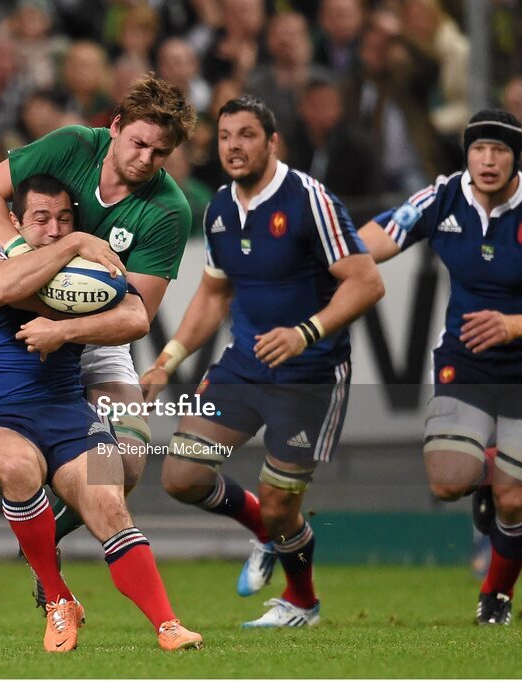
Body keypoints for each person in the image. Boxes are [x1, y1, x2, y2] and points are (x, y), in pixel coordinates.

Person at [0, 174, 203, 653]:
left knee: (112, 493)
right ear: (14, 220)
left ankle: (168, 624)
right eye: (41, 218)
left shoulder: (91, 265)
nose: (54, 229)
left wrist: (64, 330)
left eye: (64, 220)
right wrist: (77, 243)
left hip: (66, 411)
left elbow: (136, 318)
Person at [142, 95, 384, 628]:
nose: (234, 146)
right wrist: (168, 359)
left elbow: (366, 282)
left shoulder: (309, 199)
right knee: (182, 475)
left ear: (272, 142)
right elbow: (212, 295)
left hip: (310, 374)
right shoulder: (222, 208)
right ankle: (265, 535)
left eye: (247, 135)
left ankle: (303, 602)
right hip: (244, 367)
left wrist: (306, 332)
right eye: (226, 136)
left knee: (281, 506)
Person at [0, 72, 196, 603]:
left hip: (92, 338)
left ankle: (50, 537)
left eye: (159, 153)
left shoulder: (168, 210)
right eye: (137, 142)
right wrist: (26, 255)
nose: (144, 159)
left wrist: (63, 329)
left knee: (129, 460)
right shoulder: (71, 145)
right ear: (114, 127)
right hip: (18, 329)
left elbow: (136, 317)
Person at [357, 110, 522, 625]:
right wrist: (336, 258)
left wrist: (515, 325)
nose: (488, 160)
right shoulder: (442, 197)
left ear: (516, 156)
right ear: (466, 153)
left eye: (501, 150)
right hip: (464, 359)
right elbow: (379, 236)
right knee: (447, 481)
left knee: (513, 499)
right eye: (479, 149)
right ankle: (486, 476)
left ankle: (497, 596)